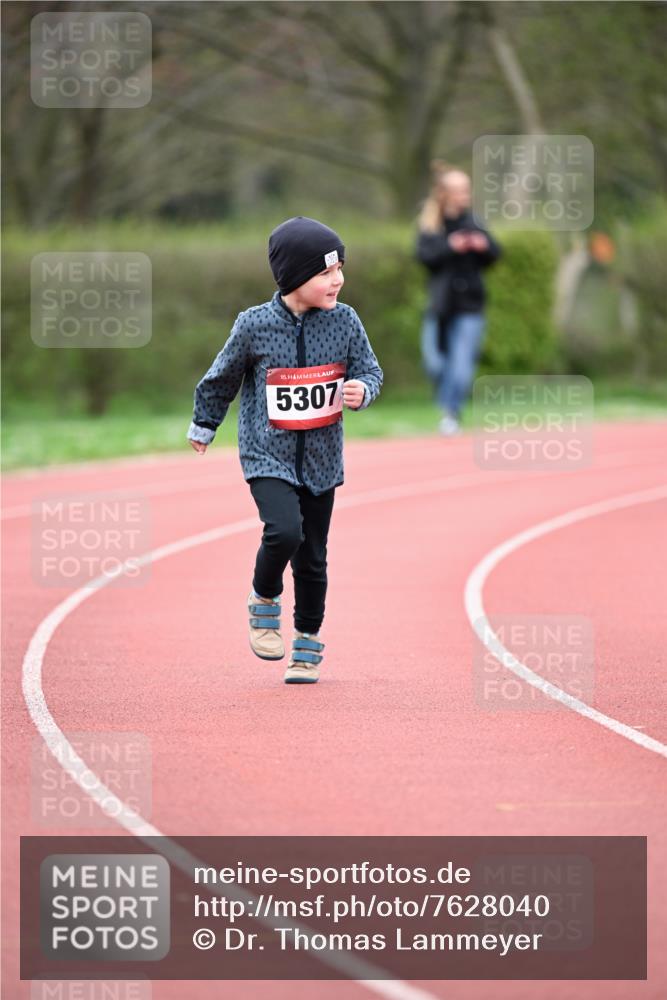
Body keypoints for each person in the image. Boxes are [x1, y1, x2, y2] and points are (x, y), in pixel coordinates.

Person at [187, 216, 383, 685]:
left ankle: (307, 645)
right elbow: (222, 377)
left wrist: (362, 390)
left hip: (321, 460)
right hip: (267, 454)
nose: (338, 280)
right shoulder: (254, 325)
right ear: (294, 276)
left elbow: (370, 371)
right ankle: (264, 596)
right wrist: (205, 422)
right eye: (326, 272)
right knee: (284, 531)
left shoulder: (345, 321)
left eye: (340, 269)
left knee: (313, 556)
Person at [416, 162, 501, 435]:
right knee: (434, 363)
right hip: (440, 304)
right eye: (459, 190)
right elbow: (423, 256)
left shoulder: (474, 221)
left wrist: (483, 246)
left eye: (467, 189)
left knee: (461, 365)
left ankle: (450, 413)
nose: (465, 195)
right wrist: (451, 246)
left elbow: (496, 254)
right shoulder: (431, 224)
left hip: (470, 306)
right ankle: (447, 402)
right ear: (445, 193)